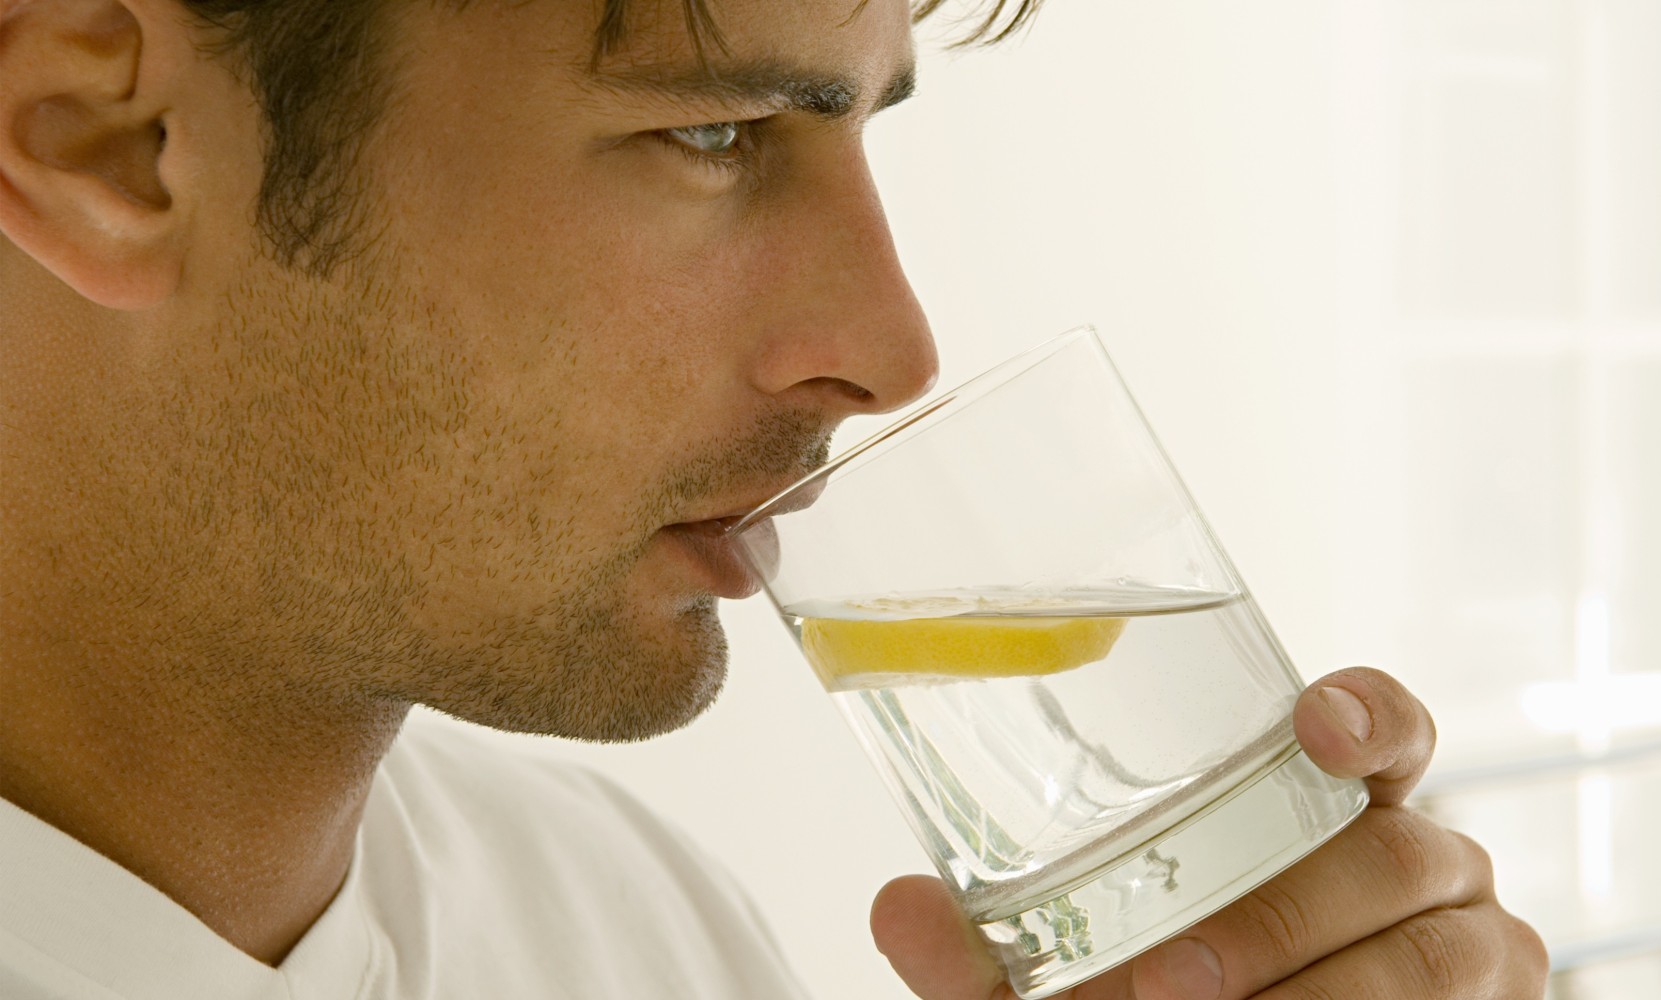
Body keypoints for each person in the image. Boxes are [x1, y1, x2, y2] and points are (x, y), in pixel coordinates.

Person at [0, 0, 1549, 996]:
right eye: (711, 133)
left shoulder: (633, 929)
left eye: (858, 130)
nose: (891, 353)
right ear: (110, 150)